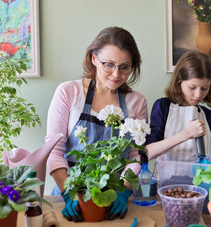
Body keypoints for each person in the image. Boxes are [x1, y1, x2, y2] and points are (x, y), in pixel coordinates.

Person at [45, 26, 148, 222]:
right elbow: (54, 151)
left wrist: (124, 192)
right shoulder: (68, 92)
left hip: (114, 197)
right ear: (94, 59)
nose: (116, 74)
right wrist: (70, 195)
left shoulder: (137, 102)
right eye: (108, 64)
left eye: (125, 67)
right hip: (73, 194)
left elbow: (135, 155)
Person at [145, 50, 211, 161]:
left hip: (198, 178)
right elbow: (148, 152)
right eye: (192, 87)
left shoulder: (205, 114)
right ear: (179, 82)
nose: (198, 95)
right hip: (166, 177)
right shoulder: (163, 107)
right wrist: (187, 133)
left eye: (204, 88)